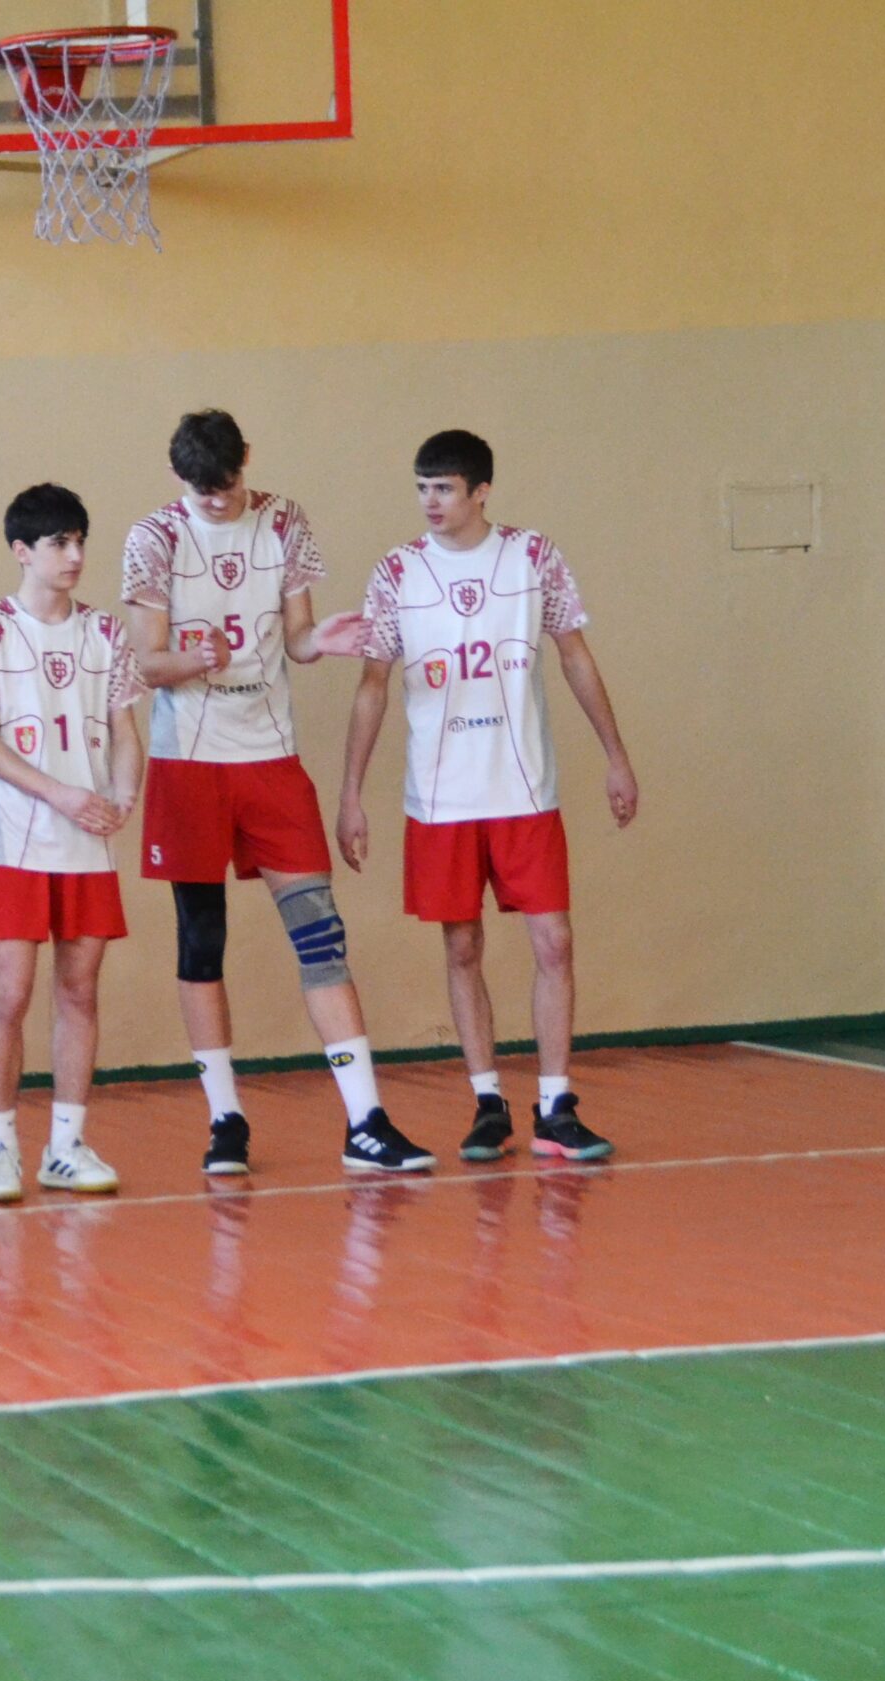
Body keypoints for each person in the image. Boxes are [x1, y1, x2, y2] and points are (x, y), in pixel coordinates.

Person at [122, 409, 434, 1175]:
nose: (218, 498)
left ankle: (366, 1121)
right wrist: (193, 660)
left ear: (247, 462)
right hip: (189, 761)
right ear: (178, 479)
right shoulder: (154, 538)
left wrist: (319, 641)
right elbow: (145, 663)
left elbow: (295, 637)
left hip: (269, 755)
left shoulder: (284, 520)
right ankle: (225, 1119)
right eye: (203, 489)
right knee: (202, 941)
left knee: (321, 934)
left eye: (228, 483)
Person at [337, 429, 638, 1162]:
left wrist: (616, 756)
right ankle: (487, 1102)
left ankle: (557, 1106)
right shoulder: (398, 571)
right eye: (422, 488)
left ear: (480, 492)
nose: (430, 501)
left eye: (443, 488)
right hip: (441, 798)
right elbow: (372, 685)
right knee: (462, 945)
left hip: (523, 789)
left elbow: (576, 657)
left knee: (554, 941)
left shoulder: (533, 557)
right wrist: (351, 793)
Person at [0, 484, 145, 1201]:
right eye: (59, 542)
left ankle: (66, 1146)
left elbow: (125, 732)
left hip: (87, 843)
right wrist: (58, 793)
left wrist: (124, 795)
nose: (75, 555)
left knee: (80, 990)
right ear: (22, 551)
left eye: (80, 541)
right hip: (14, 843)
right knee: (11, 992)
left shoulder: (105, 633)